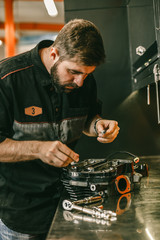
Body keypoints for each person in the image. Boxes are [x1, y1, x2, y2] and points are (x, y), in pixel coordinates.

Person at [0, 19, 120, 239]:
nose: (80, 82)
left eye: (87, 74)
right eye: (73, 72)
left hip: (71, 208)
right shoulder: (8, 79)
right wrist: (38, 149)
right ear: (54, 54)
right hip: (21, 218)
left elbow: (86, 118)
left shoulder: (84, 79)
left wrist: (97, 125)